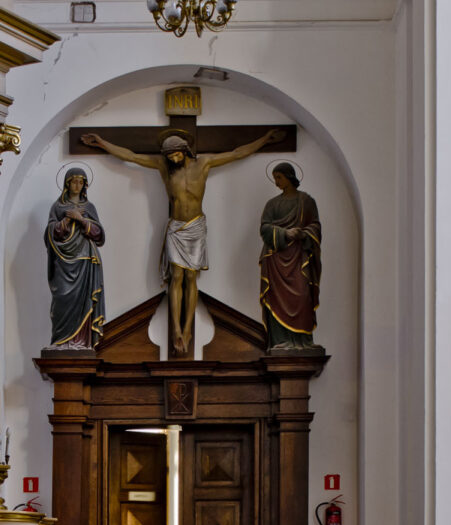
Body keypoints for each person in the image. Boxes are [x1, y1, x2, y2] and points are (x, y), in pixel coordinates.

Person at [81, 128, 284, 356]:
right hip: (176, 228)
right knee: (176, 277)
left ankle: (187, 330)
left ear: (184, 150)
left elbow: (237, 153)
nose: (172, 159)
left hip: (195, 227)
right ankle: (176, 329)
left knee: (191, 277)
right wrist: (102, 143)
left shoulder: (204, 164)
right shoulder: (163, 167)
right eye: (169, 156)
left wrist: (265, 139)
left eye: (175, 154)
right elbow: (131, 156)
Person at [259, 162, 321, 350]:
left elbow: (315, 226)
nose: (277, 182)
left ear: (289, 176)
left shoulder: (306, 201)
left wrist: (303, 234)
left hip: (299, 258)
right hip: (277, 259)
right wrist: (285, 233)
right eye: (275, 178)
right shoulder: (272, 204)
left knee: (302, 295)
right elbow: (264, 228)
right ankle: (281, 341)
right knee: (277, 299)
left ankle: (303, 342)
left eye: (279, 177)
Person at [44, 167, 106, 349]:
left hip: (85, 260)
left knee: (84, 302)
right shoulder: (57, 207)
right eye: (74, 182)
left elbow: (100, 235)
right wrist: (65, 221)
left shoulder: (89, 208)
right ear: (67, 184)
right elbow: (50, 234)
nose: (77, 185)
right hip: (63, 262)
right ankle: (61, 341)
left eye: (80, 182)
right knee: (62, 300)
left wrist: (81, 219)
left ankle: (81, 342)